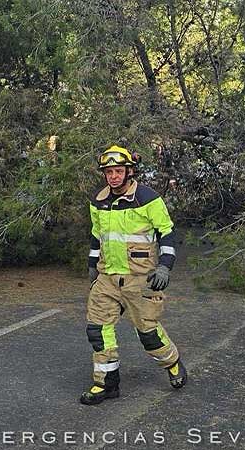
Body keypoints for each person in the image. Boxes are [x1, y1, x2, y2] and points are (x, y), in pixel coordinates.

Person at [81, 144, 187, 405]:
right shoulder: (98, 201)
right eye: (109, 172)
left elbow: (167, 233)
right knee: (98, 330)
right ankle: (106, 384)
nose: (113, 176)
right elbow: (97, 236)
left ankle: (173, 363)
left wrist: (165, 266)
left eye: (118, 171)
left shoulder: (148, 198)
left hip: (141, 279)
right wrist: (93, 266)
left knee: (148, 335)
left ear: (129, 171)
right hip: (107, 278)